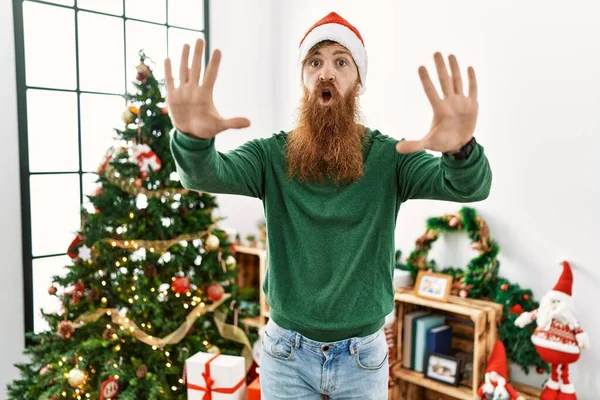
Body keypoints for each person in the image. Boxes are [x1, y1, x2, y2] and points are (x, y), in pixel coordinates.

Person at [166, 11, 491, 400]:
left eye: (341, 61)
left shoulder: (392, 157)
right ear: (303, 79)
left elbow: (468, 187)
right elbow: (204, 175)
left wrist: (461, 149)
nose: (326, 73)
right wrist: (192, 140)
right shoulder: (272, 155)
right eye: (315, 62)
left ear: (359, 81)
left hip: (362, 358)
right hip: (285, 354)